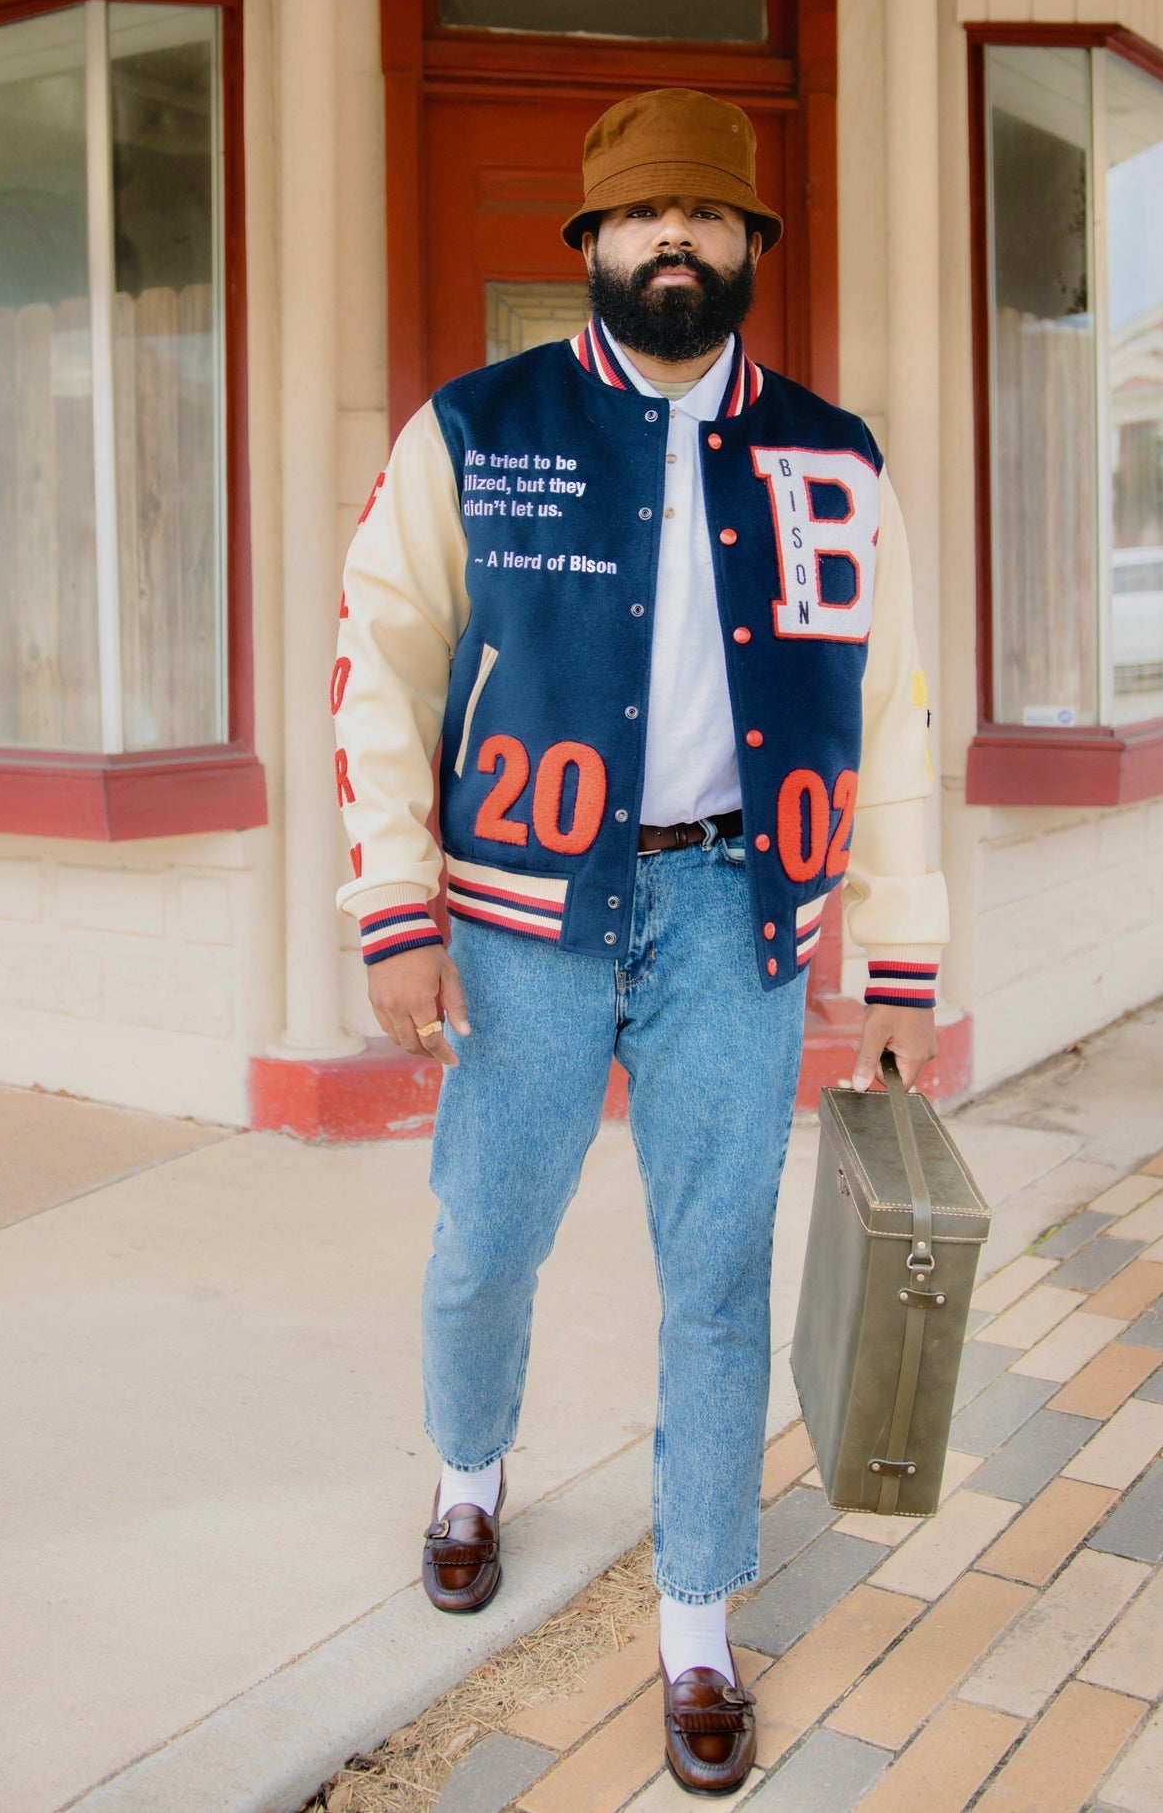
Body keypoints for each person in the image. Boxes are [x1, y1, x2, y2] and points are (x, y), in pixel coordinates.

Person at [332, 87, 948, 1796]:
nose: (670, 238)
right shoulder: (474, 425)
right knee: (484, 1239)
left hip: (733, 915)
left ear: (751, 245)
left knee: (716, 1280)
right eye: (636, 215)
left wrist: (895, 961)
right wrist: (396, 909)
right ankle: (468, 1473)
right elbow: (376, 670)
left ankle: (695, 1618)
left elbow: (892, 715)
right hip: (519, 916)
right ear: (588, 248)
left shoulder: (837, 454)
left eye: (704, 213)